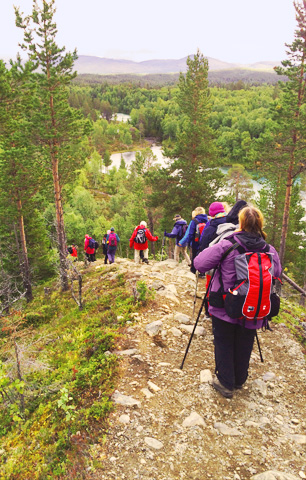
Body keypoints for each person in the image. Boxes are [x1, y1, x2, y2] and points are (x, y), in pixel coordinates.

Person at [194, 206, 282, 399]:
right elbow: (277, 273)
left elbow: (199, 264)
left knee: (224, 340)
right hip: (255, 306)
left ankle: (226, 382)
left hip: (225, 305)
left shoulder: (228, 244)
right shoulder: (269, 249)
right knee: (245, 340)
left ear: (240, 223)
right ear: (260, 224)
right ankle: (240, 379)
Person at [178, 207, 207, 273]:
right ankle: (202, 273)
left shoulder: (194, 221)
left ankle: (193, 270)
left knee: (194, 256)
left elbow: (190, 233)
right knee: (203, 256)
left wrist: (188, 242)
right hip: (204, 242)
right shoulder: (207, 220)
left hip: (195, 242)